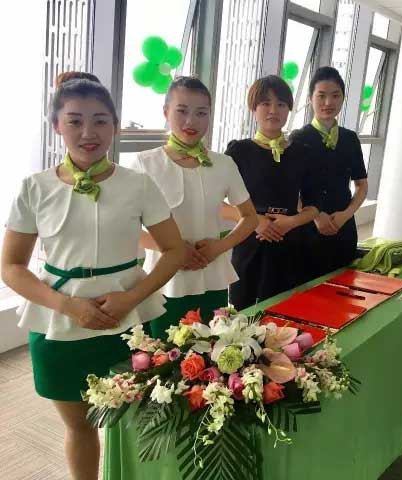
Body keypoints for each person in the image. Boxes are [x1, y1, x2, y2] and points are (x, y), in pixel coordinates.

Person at [1, 73, 184, 480]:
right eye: (75, 121)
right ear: (56, 125)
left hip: (129, 320)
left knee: (134, 421)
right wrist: (68, 306)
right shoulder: (35, 188)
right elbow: (11, 266)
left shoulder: (138, 184)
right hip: (60, 322)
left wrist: (131, 298)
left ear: (115, 125)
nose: (89, 133)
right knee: (79, 425)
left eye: (100, 120)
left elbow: (174, 251)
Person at [125, 76, 257, 340]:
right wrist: (174, 251)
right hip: (164, 280)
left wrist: (219, 246)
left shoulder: (223, 164)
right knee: (162, 355)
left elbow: (250, 218)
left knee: (214, 352)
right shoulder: (145, 163)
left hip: (213, 276)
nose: (191, 121)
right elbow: (125, 227)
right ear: (166, 112)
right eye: (182, 111)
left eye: (201, 113)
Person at [223, 75, 320, 310]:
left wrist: (291, 221)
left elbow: (314, 206)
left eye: (281, 104)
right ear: (253, 108)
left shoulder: (303, 153)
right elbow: (216, 203)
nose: (273, 110)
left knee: (285, 313)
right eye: (265, 103)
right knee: (243, 313)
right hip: (248, 242)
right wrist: (255, 221)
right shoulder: (239, 151)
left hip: (290, 243)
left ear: (289, 109)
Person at [290, 66, 368, 278]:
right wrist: (316, 216)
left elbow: (361, 185)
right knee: (307, 287)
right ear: (310, 99)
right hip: (308, 229)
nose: (328, 102)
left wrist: (346, 214)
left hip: (344, 227)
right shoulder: (298, 138)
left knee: (344, 285)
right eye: (321, 95)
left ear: (342, 98)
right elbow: (290, 189)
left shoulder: (350, 139)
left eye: (335, 95)